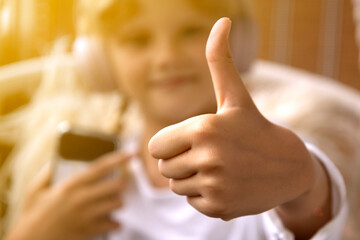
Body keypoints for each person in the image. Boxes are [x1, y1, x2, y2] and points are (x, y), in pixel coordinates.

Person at [1, 0, 348, 239]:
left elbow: (314, 215)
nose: (166, 57)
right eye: (138, 39)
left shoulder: (259, 157)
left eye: (191, 32)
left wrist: (303, 178)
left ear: (238, 43)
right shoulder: (87, 180)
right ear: (101, 62)